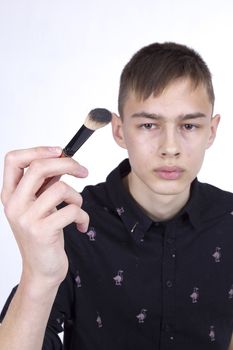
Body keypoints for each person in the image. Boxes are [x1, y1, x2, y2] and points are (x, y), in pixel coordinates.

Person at [0, 42, 233, 350]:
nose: (170, 147)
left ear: (212, 131)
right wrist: (38, 276)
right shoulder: (73, 222)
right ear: (119, 131)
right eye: (149, 124)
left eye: (189, 125)